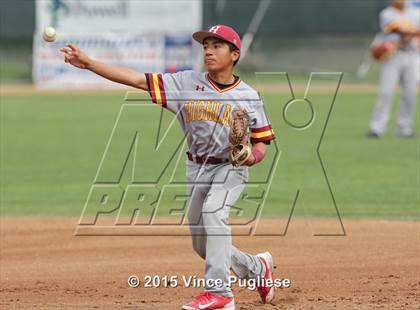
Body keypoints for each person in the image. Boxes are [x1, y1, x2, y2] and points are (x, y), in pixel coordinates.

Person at [60, 25, 276, 309]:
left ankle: (221, 294)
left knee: (214, 212)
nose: (208, 51)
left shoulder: (249, 96)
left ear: (235, 54)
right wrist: (88, 64)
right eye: (206, 46)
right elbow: (137, 80)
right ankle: (258, 268)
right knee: (203, 246)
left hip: (230, 168)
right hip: (196, 168)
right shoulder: (185, 84)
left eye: (217, 46)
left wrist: (252, 158)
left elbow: (261, 142)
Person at [368, 0, 419, 138]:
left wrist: (411, 33)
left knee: (410, 94)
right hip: (392, 56)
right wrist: (412, 32)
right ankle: (377, 128)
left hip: (412, 55)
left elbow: (412, 33)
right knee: (386, 92)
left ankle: (404, 128)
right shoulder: (387, 13)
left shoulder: (415, 12)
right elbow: (399, 30)